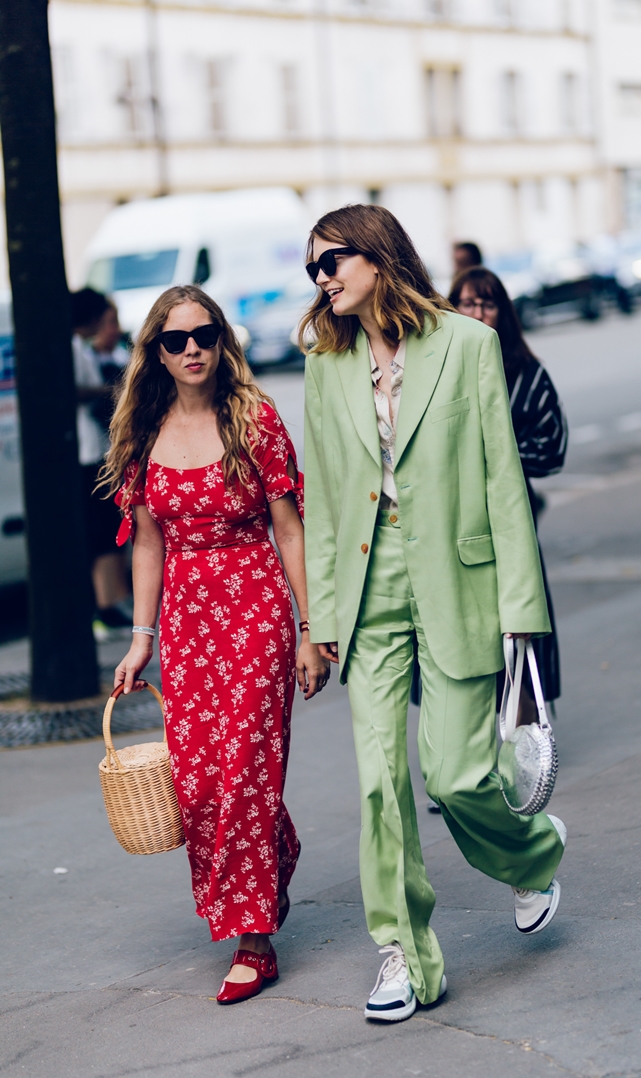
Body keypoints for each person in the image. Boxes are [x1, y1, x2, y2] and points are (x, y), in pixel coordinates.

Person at [301, 205, 565, 1024]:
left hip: (457, 584)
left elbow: (501, 483)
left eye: (333, 260)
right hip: (369, 595)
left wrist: (521, 608)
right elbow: (324, 502)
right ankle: (401, 955)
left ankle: (532, 853)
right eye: (313, 269)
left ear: (378, 256)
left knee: (452, 777)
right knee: (379, 785)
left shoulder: (468, 346)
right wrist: (321, 621)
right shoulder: (325, 364)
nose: (323, 279)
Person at [102, 285, 329, 1005]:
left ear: (221, 340)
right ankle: (275, 855)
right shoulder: (144, 430)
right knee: (201, 780)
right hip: (187, 621)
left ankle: (253, 937)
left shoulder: (254, 420)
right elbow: (146, 543)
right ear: (157, 351)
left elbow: (290, 530)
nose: (192, 348)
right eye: (176, 340)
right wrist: (141, 640)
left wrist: (309, 628)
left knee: (245, 770)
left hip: (255, 607)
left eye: (204, 335)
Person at [449, 266, 567, 717]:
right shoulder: (435, 371)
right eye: (467, 303)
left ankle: (528, 715)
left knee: (519, 610)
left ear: (503, 311)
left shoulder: (526, 373)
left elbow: (553, 448)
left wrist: (497, 457)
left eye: (487, 302)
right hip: (453, 518)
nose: (477, 312)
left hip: (511, 516)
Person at [71, 288, 132, 639]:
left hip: (97, 451)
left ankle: (112, 603)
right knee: (101, 533)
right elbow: (75, 389)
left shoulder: (86, 349)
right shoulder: (74, 348)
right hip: (87, 453)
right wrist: (105, 392)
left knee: (109, 531)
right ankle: (105, 606)